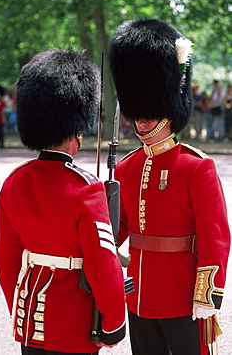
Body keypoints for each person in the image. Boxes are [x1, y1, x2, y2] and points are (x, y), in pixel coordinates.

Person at [108, 18, 231, 355]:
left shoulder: (196, 166)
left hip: (183, 294)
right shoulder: (127, 166)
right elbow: (115, 230)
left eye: (151, 111)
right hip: (138, 295)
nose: (143, 120)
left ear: (169, 110)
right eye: (138, 112)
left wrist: (207, 293)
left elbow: (215, 236)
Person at [0, 48, 126, 355]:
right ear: (73, 134)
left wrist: (20, 304)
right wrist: (113, 323)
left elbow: (6, 260)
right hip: (75, 323)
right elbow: (103, 264)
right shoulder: (86, 189)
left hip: (31, 322)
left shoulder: (14, 182)